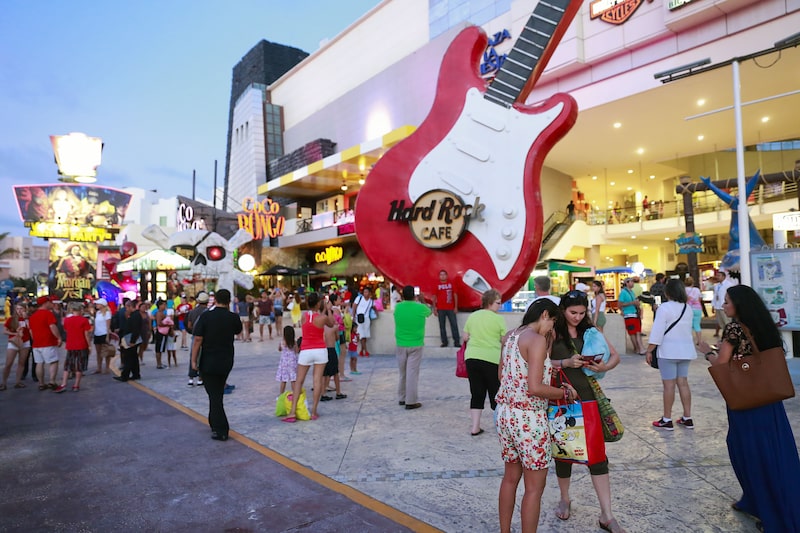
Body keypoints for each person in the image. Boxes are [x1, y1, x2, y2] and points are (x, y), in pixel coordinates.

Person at [698, 285, 800, 532]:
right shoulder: (764, 325)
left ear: (739, 305)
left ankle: (765, 508)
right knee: (775, 454)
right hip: (769, 401)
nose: (723, 305)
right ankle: (769, 503)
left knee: (750, 454)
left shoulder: (734, 328)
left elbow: (722, 364)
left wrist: (706, 353)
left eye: (728, 301)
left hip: (747, 402)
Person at [496, 298, 575, 533]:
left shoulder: (511, 335)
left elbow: (502, 375)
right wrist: (565, 393)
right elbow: (535, 388)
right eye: (552, 322)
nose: (551, 328)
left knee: (510, 478)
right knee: (534, 488)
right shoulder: (537, 340)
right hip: (529, 419)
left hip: (505, 414)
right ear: (544, 315)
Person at [551, 290, 625, 533]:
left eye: (582, 313)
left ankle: (607, 514)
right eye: (573, 312)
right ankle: (565, 497)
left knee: (597, 457)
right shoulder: (552, 332)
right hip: (561, 402)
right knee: (563, 455)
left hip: (589, 400)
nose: (577, 317)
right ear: (562, 310)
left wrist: (604, 366)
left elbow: (615, 357)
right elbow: (537, 362)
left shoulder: (590, 330)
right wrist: (565, 363)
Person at [190, 289, 242, 441]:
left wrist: (193, 360)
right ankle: (215, 424)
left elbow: (198, 339)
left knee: (214, 396)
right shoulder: (233, 317)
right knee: (216, 393)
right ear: (229, 301)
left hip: (209, 361)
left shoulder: (206, 316)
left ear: (215, 300)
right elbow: (238, 331)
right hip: (226, 360)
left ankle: (221, 429)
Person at [644, 279, 696, 430]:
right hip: (686, 351)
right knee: (683, 383)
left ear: (668, 292)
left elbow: (657, 332)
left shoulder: (664, 308)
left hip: (668, 352)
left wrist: (649, 350)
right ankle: (687, 417)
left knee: (669, 386)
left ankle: (667, 419)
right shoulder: (688, 308)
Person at [283, 292, 335, 422]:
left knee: (299, 381)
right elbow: (332, 323)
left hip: (306, 350)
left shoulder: (304, 316)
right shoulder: (322, 318)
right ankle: (314, 411)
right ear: (318, 303)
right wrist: (328, 309)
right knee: (317, 380)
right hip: (320, 350)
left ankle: (292, 412)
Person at [461, 288, 506, 436]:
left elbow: (465, 337)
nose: (500, 306)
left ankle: (475, 427)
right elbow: (503, 340)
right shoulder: (498, 319)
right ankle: (499, 427)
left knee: (476, 393)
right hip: (492, 358)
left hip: (472, 357)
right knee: (495, 392)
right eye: (498, 303)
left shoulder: (473, 316)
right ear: (491, 303)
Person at [393, 285, 432, 410]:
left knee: (402, 373)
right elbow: (430, 312)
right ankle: (410, 401)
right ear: (414, 295)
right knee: (412, 373)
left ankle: (402, 397)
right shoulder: (420, 307)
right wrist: (422, 300)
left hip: (401, 343)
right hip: (416, 343)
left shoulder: (398, 307)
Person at [56, 302, 92, 392]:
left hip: (71, 344)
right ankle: (76, 385)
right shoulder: (84, 320)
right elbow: (86, 334)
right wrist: (89, 345)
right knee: (79, 365)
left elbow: (66, 330)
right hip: (81, 344)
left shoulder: (67, 320)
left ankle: (63, 383)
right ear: (81, 310)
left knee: (68, 364)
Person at [29, 296, 62, 390]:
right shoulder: (48, 314)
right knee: (53, 361)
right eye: (50, 302)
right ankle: (52, 381)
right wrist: (58, 337)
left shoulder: (33, 316)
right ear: (45, 303)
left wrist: (35, 339)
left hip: (37, 343)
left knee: (39, 363)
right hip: (48, 342)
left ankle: (41, 383)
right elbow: (52, 327)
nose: (52, 304)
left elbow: (31, 331)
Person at [2, 303, 30, 390]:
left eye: (21, 309)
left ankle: (18, 381)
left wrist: (26, 319)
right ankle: (3, 382)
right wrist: (15, 333)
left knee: (22, 363)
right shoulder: (11, 319)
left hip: (25, 342)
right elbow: (5, 331)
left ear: (25, 309)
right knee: (8, 363)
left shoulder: (27, 319)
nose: (19, 311)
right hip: (14, 342)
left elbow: (31, 328)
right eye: (17, 309)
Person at [113, 300, 142, 382]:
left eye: (127, 307)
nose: (126, 309)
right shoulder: (133, 315)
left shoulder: (135, 315)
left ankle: (124, 375)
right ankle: (136, 374)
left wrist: (133, 341)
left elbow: (135, 329)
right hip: (129, 337)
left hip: (131, 339)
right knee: (133, 357)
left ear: (130, 307)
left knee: (128, 358)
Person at [186, 291, 209, 387]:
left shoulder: (192, 312)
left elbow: (189, 325)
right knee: (203, 357)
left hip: (194, 336)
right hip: (205, 337)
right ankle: (200, 378)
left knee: (193, 356)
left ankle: (191, 378)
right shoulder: (208, 312)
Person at [432, 270, 460, 348]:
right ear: (439, 276)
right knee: (442, 326)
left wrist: (456, 307)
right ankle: (444, 342)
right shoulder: (436, 285)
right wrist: (434, 308)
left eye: (444, 274)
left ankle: (456, 342)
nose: (442, 276)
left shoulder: (451, 283)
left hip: (451, 308)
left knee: (454, 325)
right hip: (441, 309)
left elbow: (455, 294)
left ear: (447, 275)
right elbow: (434, 297)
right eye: (441, 275)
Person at [618, 277, 644, 355]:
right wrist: (632, 303)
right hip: (628, 314)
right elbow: (620, 304)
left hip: (634, 313)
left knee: (637, 332)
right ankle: (637, 348)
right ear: (627, 283)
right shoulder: (623, 292)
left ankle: (639, 348)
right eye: (631, 282)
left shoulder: (631, 292)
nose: (632, 283)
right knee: (633, 332)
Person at [353, 286, 376, 356]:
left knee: (365, 335)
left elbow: (374, 307)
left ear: (369, 293)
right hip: (359, 318)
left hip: (366, 318)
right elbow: (354, 306)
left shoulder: (371, 301)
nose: (365, 293)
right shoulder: (359, 298)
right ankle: (365, 351)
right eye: (364, 292)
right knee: (362, 335)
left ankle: (361, 350)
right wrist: (353, 316)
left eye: (366, 292)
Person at [276, 325, 298, 396]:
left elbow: (279, 349)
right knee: (293, 379)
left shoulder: (282, 342)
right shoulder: (294, 342)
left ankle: (281, 395)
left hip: (284, 363)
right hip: (292, 363)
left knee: (283, 380)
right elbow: (297, 351)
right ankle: (295, 395)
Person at [92, 298, 112, 374]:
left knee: (106, 351)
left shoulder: (107, 313)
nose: (96, 305)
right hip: (97, 333)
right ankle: (99, 367)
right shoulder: (98, 313)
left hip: (104, 333)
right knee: (98, 352)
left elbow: (108, 325)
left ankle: (107, 367)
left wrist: (107, 335)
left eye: (98, 304)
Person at [711, 271, 734, 337]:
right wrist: (713, 305)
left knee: (727, 321)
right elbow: (715, 296)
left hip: (725, 306)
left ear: (724, 277)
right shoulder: (716, 285)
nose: (717, 277)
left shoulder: (728, 284)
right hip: (718, 306)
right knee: (721, 322)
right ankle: (726, 335)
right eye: (717, 276)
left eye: (719, 276)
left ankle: (730, 335)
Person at [684, 276, 703, 345]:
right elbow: (700, 299)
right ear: (693, 282)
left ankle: (689, 340)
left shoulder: (683, 290)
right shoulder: (697, 290)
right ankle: (699, 340)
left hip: (688, 309)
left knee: (688, 325)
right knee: (697, 325)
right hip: (697, 308)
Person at [153, 299, 168, 369]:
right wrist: (167, 325)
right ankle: (158, 363)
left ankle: (160, 362)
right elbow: (159, 323)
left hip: (162, 332)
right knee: (159, 348)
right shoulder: (159, 313)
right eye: (163, 305)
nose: (165, 306)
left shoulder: (162, 313)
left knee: (160, 348)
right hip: (161, 332)